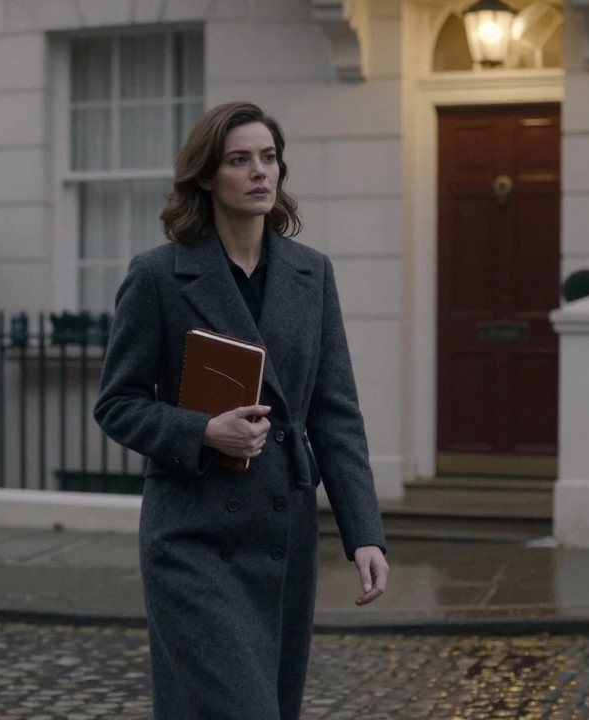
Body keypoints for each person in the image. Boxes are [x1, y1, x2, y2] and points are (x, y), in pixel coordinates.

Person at [93, 101, 390, 720]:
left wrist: (364, 534)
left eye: (269, 158)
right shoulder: (158, 276)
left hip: (282, 534)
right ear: (206, 175)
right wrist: (203, 431)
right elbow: (117, 404)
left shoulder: (312, 274)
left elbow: (335, 414)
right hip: (193, 538)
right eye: (239, 160)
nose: (259, 171)